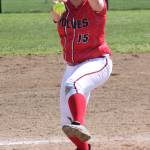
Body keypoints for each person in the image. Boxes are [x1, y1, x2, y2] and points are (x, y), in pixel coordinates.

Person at [51, 0, 112, 149]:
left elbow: (98, 3)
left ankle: (78, 123)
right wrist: (57, 5)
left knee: (73, 84)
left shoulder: (95, 5)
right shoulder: (63, 5)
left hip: (97, 62)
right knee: (66, 124)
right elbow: (55, 17)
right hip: (72, 66)